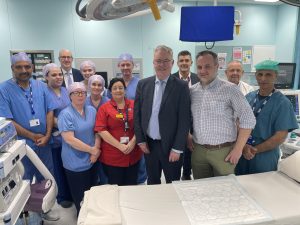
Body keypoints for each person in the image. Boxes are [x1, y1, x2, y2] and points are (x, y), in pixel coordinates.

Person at [0, 52, 58, 221]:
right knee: (22, 179)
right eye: (19, 67)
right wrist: (32, 136)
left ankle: (45, 209)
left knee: (46, 175)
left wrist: (47, 135)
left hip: (43, 142)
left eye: (27, 66)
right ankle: (24, 213)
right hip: (21, 144)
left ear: (32, 68)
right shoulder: (4, 90)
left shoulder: (40, 86)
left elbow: (50, 110)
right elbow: (8, 121)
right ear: (12, 68)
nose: (24, 70)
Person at [189, 50, 256, 179]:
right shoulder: (192, 91)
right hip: (198, 151)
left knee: (224, 192)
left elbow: (248, 119)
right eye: (199, 67)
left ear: (217, 66)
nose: (203, 70)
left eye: (207, 66)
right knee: (201, 190)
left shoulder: (230, 89)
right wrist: (187, 135)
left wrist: (238, 149)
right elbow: (184, 117)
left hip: (223, 152)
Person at [134, 45, 191, 185]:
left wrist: (177, 148)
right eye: (158, 61)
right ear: (153, 62)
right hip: (149, 145)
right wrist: (140, 140)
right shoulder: (143, 84)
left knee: (173, 183)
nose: (162, 64)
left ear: (172, 63)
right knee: (152, 181)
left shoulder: (181, 86)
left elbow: (184, 120)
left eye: (166, 60)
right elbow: (137, 115)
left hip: (171, 147)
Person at [236, 60, 298, 175]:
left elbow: (280, 136)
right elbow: (238, 122)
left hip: (264, 155)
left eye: (268, 74)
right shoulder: (249, 97)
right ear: (256, 76)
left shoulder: (282, 103)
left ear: (276, 76)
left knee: (262, 188)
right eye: (260, 74)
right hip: (243, 151)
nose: (263, 78)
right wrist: (243, 146)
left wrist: (255, 150)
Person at [58, 82, 100, 215]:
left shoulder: (92, 110)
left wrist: (96, 151)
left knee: (92, 192)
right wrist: (92, 150)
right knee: (80, 196)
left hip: (92, 158)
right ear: (70, 96)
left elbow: (98, 131)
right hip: (74, 161)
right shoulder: (65, 114)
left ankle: (93, 218)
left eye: (83, 92)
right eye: (76, 92)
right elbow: (70, 139)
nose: (80, 95)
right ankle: (82, 218)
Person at [95, 78, 142, 186]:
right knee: (116, 187)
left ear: (125, 90)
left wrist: (133, 142)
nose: (118, 90)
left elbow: (141, 125)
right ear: (110, 91)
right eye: (114, 88)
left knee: (132, 185)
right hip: (113, 155)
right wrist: (120, 146)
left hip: (132, 153)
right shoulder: (104, 108)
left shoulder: (134, 105)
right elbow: (101, 130)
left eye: (121, 88)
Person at [43, 63, 73, 209]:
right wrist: (63, 126)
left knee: (70, 165)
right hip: (55, 138)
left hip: (70, 137)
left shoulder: (66, 91)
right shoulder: (44, 92)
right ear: (46, 77)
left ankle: (73, 193)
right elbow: (47, 114)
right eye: (54, 75)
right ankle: (63, 196)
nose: (58, 77)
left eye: (60, 74)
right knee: (58, 168)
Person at [172, 50, 199, 181]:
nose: (184, 63)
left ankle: (187, 174)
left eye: (187, 60)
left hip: (196, 123)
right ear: (177, 63)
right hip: (176, 124)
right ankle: (176, 176)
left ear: (191, 62)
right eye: (181, 61)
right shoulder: (171, 79)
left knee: (192, 152)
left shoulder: (198, 78)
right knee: (178, 150)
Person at [86, 74, 109, 184]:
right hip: (88, 140)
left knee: (105, 171)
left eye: (99, 85)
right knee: (90, 171)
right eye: (93, 84)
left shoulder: (108, 102)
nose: (96, 87)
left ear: (103, 87)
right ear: (89, 86)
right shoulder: (83, 102)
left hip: (105, 141)